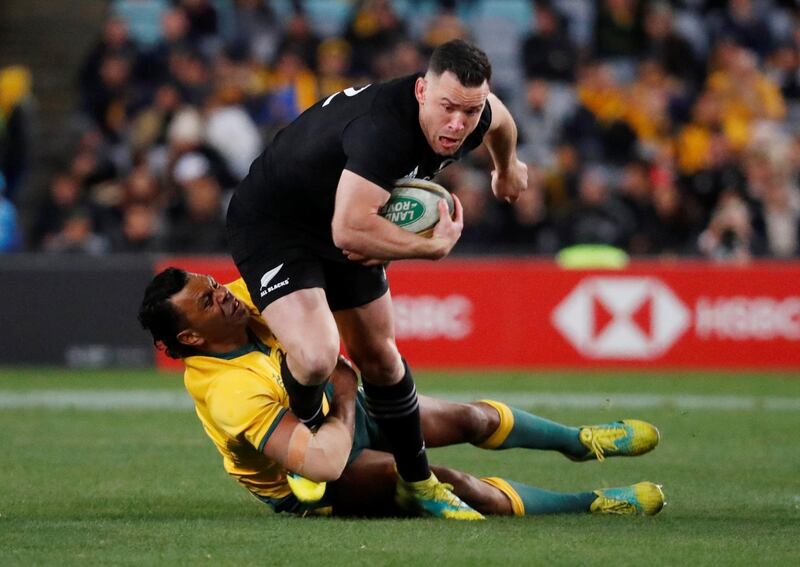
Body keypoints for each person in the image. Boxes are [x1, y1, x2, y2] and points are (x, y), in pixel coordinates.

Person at [225, 39, 528, 520]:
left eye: (469, 112)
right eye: (448, 107)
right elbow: (349, 230)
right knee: (318, 355)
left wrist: (506, 171)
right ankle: (307, 442)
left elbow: (503, 120)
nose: (457, 124)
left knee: (382, 361)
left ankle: (418, 481)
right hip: (277, 225)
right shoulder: (383, 133)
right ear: (423, 90)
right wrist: (429, 248)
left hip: (346, 212)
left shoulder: (476, 112)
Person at [137, 268, 666, 519]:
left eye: (215, 285)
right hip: (314, 473)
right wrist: (344, 392)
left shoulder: (250, 296)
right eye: (209, 301)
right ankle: (594, 504)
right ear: (190, 338)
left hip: (342, 412)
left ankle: (579, 441)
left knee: (471, 418)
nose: (225, 295)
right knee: (443, 480)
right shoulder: (228, 393)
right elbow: (320, 462)